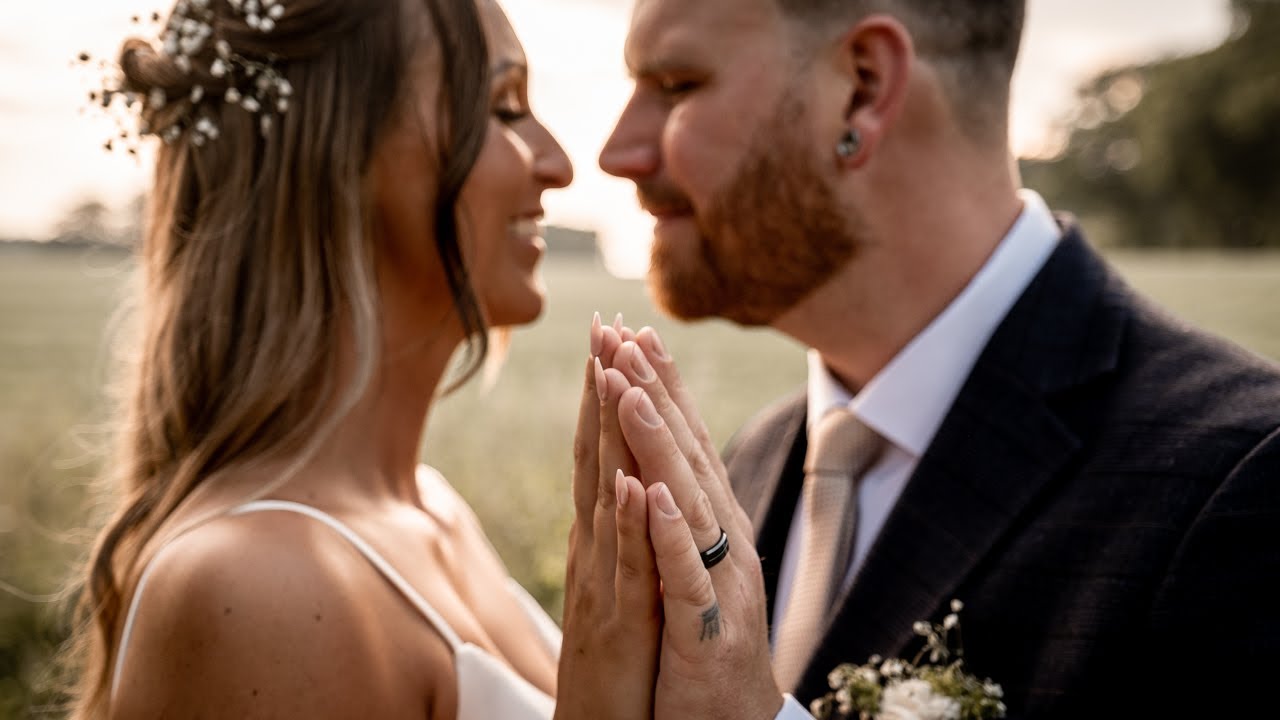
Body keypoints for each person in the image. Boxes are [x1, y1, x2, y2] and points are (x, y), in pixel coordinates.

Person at [568, 0, 1280, 717]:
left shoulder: (1242, 484)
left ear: (864, 88)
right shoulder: (754, 459)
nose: (616, 152)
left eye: (677, 84)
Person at [56, 0, 662, 717]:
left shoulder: (430, 508)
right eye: (502, 107)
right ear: (341, 159)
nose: (558, 165)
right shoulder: (256, 591)